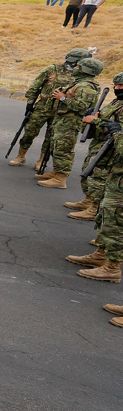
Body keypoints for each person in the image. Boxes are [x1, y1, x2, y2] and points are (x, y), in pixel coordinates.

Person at [71, 104, 123, 287]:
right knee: (106, 217)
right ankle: (102, 255)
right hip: (116, 175)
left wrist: (116, 131)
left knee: (114, 224)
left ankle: (112, 268)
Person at [35, 58, 104, 190]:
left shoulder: (86, 87)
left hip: (70, 122)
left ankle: (61, 179)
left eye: (79, 67)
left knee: (64, 149)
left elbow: (82, 107)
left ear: (86, 70)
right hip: (63, 119)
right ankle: (56, 172)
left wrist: (63, 98)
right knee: (57, 147)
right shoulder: (79, 83)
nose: (75, 68)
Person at [65, 73, 123, 222]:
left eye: (121, 86)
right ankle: (89, 200)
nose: (117, 88)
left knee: (98, 178)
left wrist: (97, 121)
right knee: (88, 173)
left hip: (111, 149)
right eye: (115, 85)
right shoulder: (118, 102)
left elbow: (117, 128)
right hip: (99, 143)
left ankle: (94, 208)